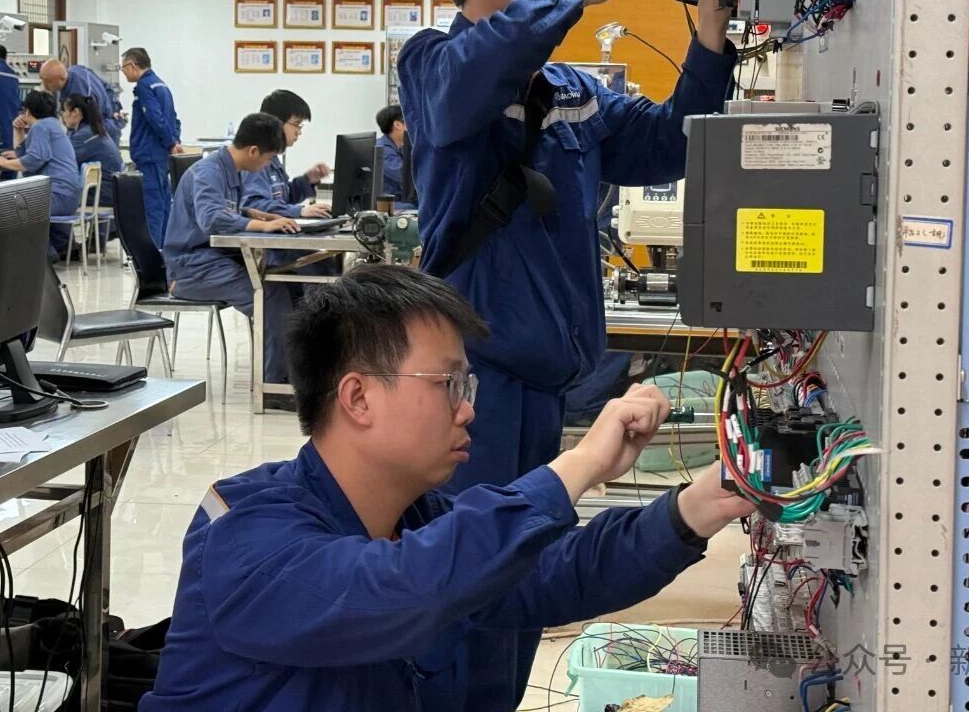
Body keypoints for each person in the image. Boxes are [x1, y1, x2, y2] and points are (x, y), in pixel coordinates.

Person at [397, 0, 738, 705]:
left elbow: (671, 144)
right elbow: (471, 83)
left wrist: (710, 37)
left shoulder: (574, 94)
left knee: (527, 579)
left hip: (544, 384)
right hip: (467, 385)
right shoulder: (434, 65)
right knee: (467, 583)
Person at [140, 265, 752, 712]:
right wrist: (581, 464)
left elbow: (555, 571)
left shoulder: (418, 518)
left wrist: (700, 505)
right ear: (357, 397)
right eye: (448, 385)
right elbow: (409, 585)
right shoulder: (243, 535)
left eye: (468, 387)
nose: (467, 411)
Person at [163, 113, 300, 384]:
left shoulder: (229, 170)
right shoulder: (209, 172)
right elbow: (210, 218)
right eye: (269, 158)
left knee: (288, 284)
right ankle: (274, 387)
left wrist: (251, 213)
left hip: (214, 260)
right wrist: (260, 226)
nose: (267, 165)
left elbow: (223, 209)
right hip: (192, 268)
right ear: (253, 151)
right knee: (269, 296)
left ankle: (292, 376)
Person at [0, 90, 81, 258]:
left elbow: (34, 160)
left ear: (27, 111)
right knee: (30, 200)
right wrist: (17, 130)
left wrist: (4, 163)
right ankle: (62, 247)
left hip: (57, 196)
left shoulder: (41, 127)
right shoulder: (53, 124)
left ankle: (45, 255)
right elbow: (23, 154)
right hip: (67, 196)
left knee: (14, 206)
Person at [122, 47, 182, 247]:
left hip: (149, 155)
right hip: (161, 155)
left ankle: (154, 251)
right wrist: (174, 141)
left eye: (123, 68)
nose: (123, 73)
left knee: (152, 206)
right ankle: (166, 248)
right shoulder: (161, 85)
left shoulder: (144, 86)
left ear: (132, 65)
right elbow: (174, 118)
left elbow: (155, 118)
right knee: (164, 203)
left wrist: (171, 142)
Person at [240, 90, 330, 219]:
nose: (299, 132)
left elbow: (284, 199)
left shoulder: (272, 156)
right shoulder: (255, 158)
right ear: (276, 123)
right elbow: (254, 206)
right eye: (297, 124)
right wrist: (299, 211)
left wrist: (307, 180)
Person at [40, 58, 124, 145]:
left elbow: (90, 127)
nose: (44, 86)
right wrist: (115, 111)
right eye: (42, 80)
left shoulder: (80, 94)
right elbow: (107, 87)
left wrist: (115, 116)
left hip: (102, 132)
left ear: (62, 78)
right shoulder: (77, 70)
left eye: (48, 82)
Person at [61, 93, 124, 208]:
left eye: (64, 111)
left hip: (102, 194)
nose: (63, 115)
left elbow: (63, 161)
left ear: (75, 112)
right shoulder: (93, 130)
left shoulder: (84, 136)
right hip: (111, 191)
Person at [373, 103, 414, 210]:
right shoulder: (382, 150)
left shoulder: (399, 148)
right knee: (419, 207)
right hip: (388, 203)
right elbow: (406, 178)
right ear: (398, 125)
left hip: (398, 200)